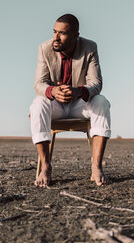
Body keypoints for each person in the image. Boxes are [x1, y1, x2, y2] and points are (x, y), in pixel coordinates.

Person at [29, 14, 111, 187]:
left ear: (75, 35)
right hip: (55, 104)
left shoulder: (90, 47)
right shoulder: (44, 48)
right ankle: (45, 167)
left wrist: (78, 91)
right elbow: (39, 84)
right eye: (54, 32)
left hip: (79, 103)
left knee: (101, 102)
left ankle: (96, 168)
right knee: (38, 103)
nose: (56, 37)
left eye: (62, 33)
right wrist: (53, 91)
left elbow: (96, 83)